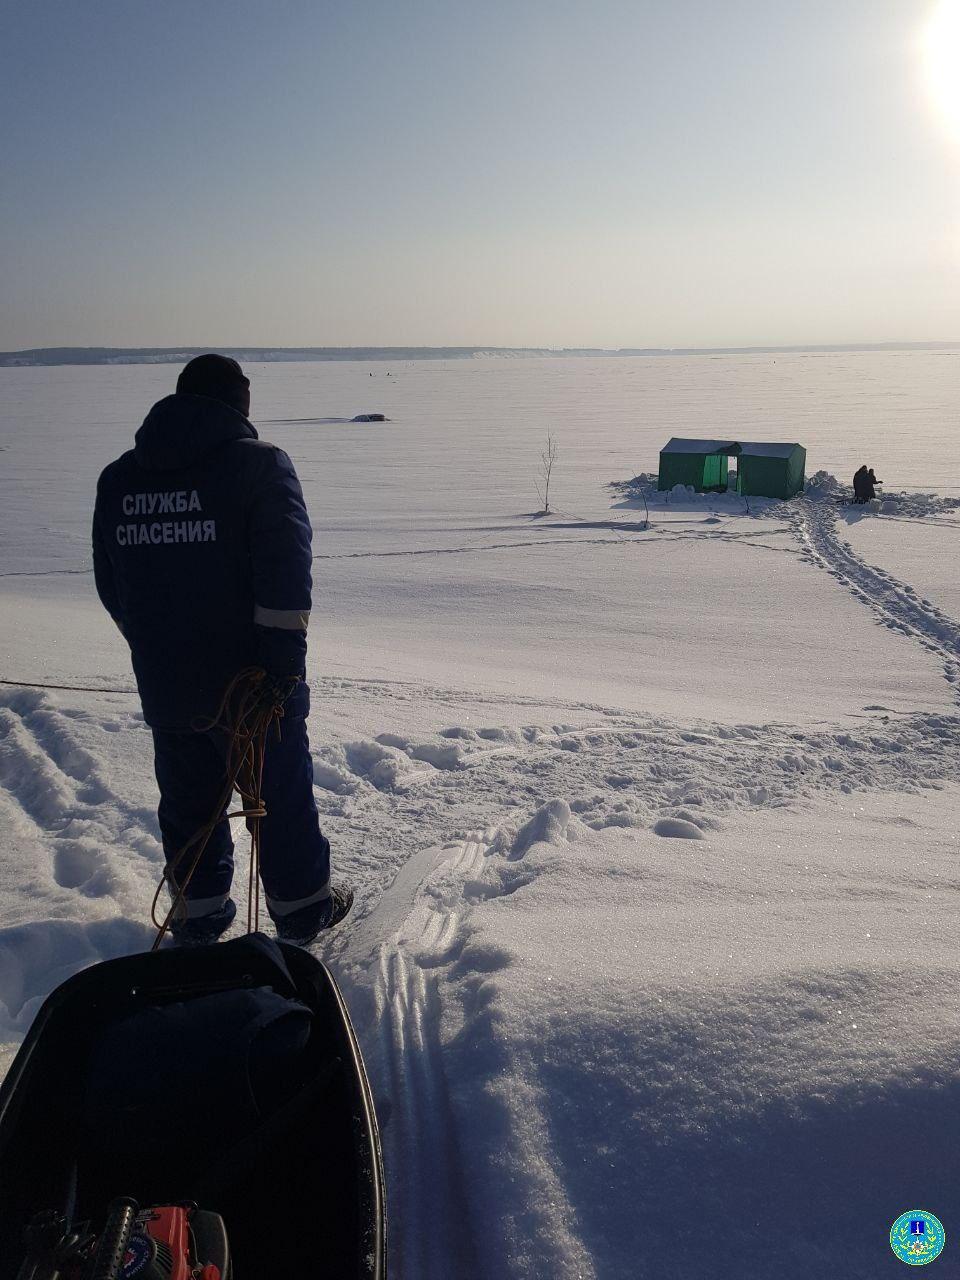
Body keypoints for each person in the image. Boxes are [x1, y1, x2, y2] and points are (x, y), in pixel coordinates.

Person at [92, 354, 352, 946]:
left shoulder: (120, 478)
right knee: (276, 794)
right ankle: (304, 907)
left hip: (167, 680)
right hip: (254, 681)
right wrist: (282, 666)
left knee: (189, 799)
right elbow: (286, 572)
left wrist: (156, 645)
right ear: (238, 405)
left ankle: (199, 911)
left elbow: (113, 583)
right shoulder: (261, 468)